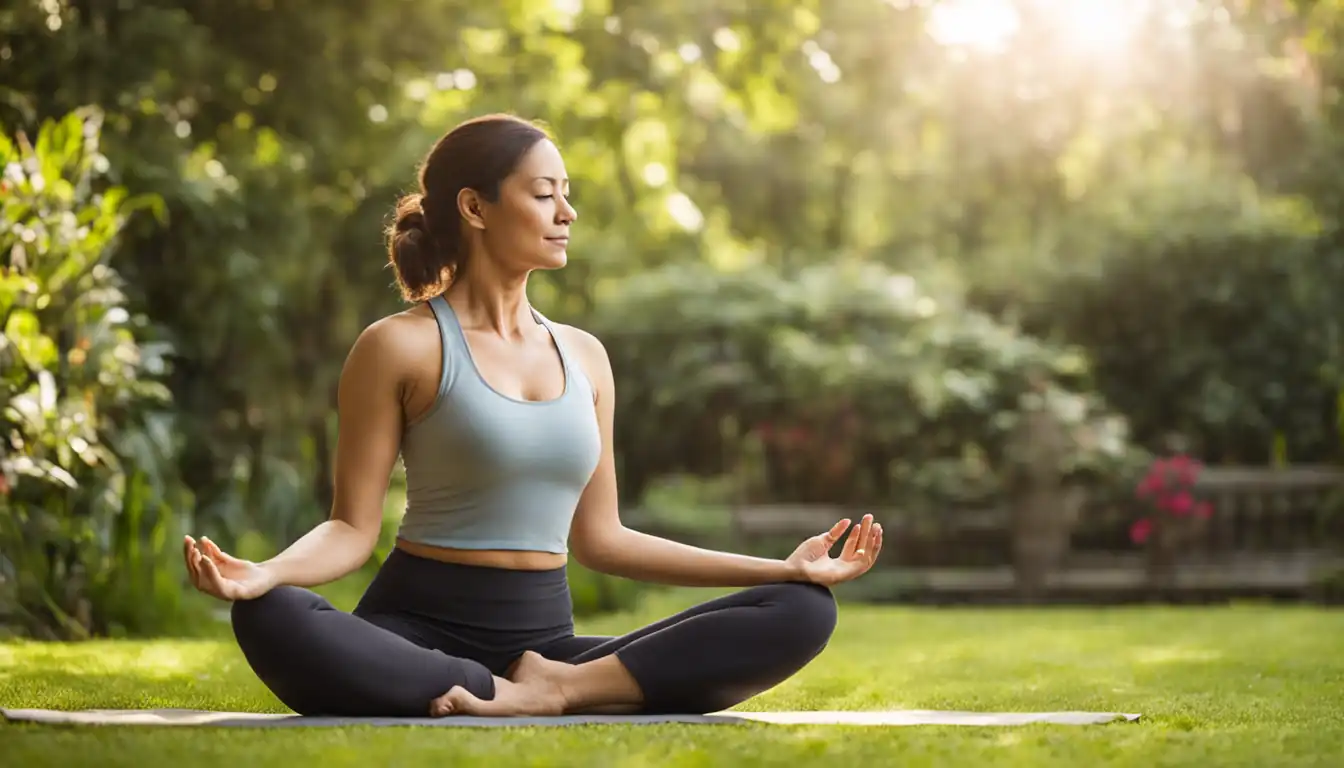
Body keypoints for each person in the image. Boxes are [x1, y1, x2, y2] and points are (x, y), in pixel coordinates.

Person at [182, 114, 884, 719]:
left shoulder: (585, 356)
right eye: (544, 194)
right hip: (413, 638)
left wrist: (779, 569)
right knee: (271, 615)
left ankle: (562, 688)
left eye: (566, 195)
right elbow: (350, 530)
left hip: (547, 647)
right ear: (475, 208)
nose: (566, 213)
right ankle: (516, 691)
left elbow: (604, 539)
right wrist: (267, 573)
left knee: (800, 610)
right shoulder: (399, 345)